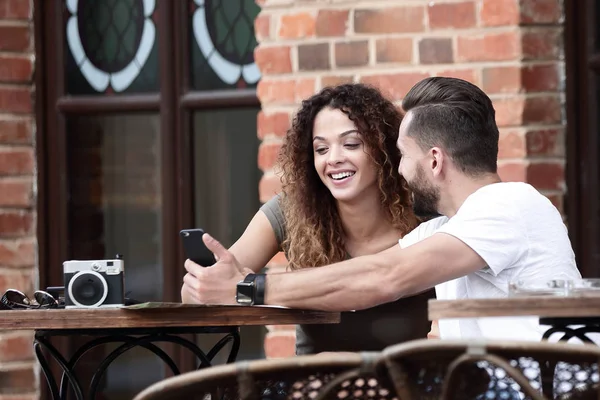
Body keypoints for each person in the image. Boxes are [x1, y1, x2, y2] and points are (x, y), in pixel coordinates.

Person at [184, 76, 581, 341]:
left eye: (403, 156)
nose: (401, 170)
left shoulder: (509, 204)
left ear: (435, 161)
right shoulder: (448, 228)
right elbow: (362, 280)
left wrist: (248, 288)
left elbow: (383, 276)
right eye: (321, 148)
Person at [182, 83, 436, 354]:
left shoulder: (425, 214)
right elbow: (195, 300)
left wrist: (246, 288)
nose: (334, 159)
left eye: (351, 144)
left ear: (382, 149)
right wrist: (205, 284)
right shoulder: (292, 211)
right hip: (315, 386)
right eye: (321, 149)